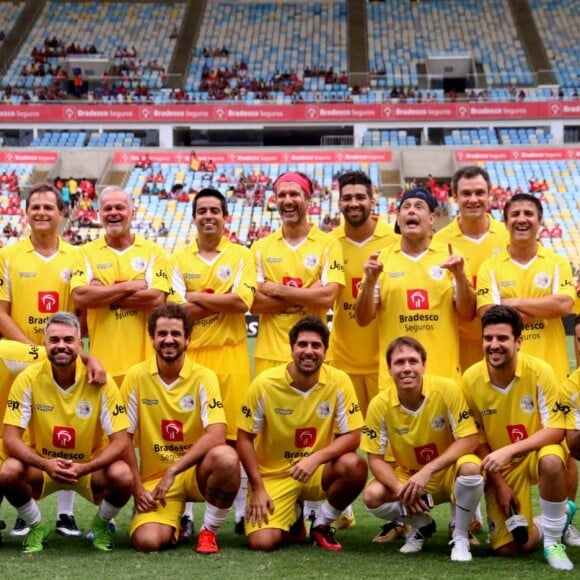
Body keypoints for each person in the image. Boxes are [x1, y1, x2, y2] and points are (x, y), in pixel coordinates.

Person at [0, 312, 133, 553]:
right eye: (55, 340)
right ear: (44, 344)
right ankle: (36, 526)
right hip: (44, 467)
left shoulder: (101, 380)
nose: (61, 345)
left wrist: (85, 468)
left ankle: (101, 525)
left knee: (123, 476)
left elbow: (121, 441)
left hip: (87, 468)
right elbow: (10, 439)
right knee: (9, 471)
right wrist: (44, 463)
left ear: (80, 343)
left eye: (68, 340)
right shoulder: (28, 378)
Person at [0, 183, 88, 538]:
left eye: (48, 207)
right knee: (19, 430)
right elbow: (2, 313)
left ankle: (65, 514)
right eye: (34, 206)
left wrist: (60, 348)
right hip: (18, 358)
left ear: (61, 212)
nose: (41, 212)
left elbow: (80, 309)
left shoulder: (76, 257)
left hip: (64, 353)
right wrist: (34, 351)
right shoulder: (7, 255)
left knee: (63, 427)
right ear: (26, 212)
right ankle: (26, 510)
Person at [237, 316, 367, 552]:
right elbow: (244, 438)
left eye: (316, 345)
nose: (309, 351)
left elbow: (353, 436)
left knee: (354, 465)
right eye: (303, 345)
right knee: (262, 543)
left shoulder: (339, 381)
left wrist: (315, 458)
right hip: (275, 475)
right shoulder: (265, 383)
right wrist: (257, 488)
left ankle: (322, 523)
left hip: (316, 471)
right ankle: (294, 513)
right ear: (292, 349)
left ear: (326, 351)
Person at [167, 188, 256, 534]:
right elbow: (177, 311)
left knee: (236, 437)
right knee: (189, 437)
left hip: (230, 355)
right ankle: (185, 515)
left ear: (225, 216)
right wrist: (221, 297)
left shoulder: (240, 255)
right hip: (192, 359)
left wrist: (195, 297)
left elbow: (243, 302)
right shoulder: (177, 259)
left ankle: (239, 513)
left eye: (214, 210)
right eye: (202, 210)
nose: (208, 216)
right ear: (194, 217)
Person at [462, 305, 574, 571]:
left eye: (502, 338)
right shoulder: (470, 379)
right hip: (500, 466)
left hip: (536, 453)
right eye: (488, 338)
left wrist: (511, 450)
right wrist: (499, 483)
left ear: (519, 341)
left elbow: (556, 430)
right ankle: (551, 521)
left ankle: (554, 543)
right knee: (509, 549)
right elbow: (475, 439)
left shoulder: (540, 371)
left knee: (552, 460)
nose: (494, 345)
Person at [121, 304, 240, 553]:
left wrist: (174, 470)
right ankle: (174, 522)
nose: (169, 340)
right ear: (152, 338)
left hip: (195, 473)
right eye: (162, 334)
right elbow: (123, 438)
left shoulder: (204, 376)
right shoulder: (136, 375)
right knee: (148, 542)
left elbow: (217, 434)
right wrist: (137, 488)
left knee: (227, 458)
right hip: (156, 480)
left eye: (176, 334)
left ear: (187, 339)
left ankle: (208, 530)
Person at [361, 336, 483, 561]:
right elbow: (375, 458)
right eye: (399, 362)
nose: (407, 368)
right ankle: (420, 524)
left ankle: (460, 535)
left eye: (413, 361)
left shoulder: (446, 389)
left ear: (423, 365)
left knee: (471, 469)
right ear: (389, 369)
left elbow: (470, 440)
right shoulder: (380, 404)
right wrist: (399, 488)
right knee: (372, 495)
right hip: (409, 476)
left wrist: (428, 470)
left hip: (447, 472)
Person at [355, 187, 476, 384]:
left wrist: (460, 277)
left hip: (443, 377)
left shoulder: (451, 256)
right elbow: (362, 319)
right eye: (406, 207)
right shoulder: (381, 259)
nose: (411, 211)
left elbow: (467, 314)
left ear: (431, 218)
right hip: (395, 381)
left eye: (419, 207)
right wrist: (369, 282)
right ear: (398, 217)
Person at [70, 186, 169, 386]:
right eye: (107, 209)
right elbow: (80, 297)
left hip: (147, 367)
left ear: (132, 213)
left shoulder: (154, 252)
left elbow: (156, 299)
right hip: (101, 367)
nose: (113, 213)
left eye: (120, 207)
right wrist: (131, 286)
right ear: (99, 215)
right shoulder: (85, 253)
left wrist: (100, 292)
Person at [251, 171, 345, 376]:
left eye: (294, 194)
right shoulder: (260, 247)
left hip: (315, 353)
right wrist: (307, 295)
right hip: (270, 354)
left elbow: (327, 297)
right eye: (281, 195)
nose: (287, 200)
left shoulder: (329, 244)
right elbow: (253, 303)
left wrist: (274, 289)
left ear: (308, 199)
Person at [433, 166, 509, 371]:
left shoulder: (509, 236)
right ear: (454, 197)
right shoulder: (438, 242)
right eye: (466, 193)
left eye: (479, 193)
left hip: (505, 345)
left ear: (489, 196)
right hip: (458, 347)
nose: (473, 199)